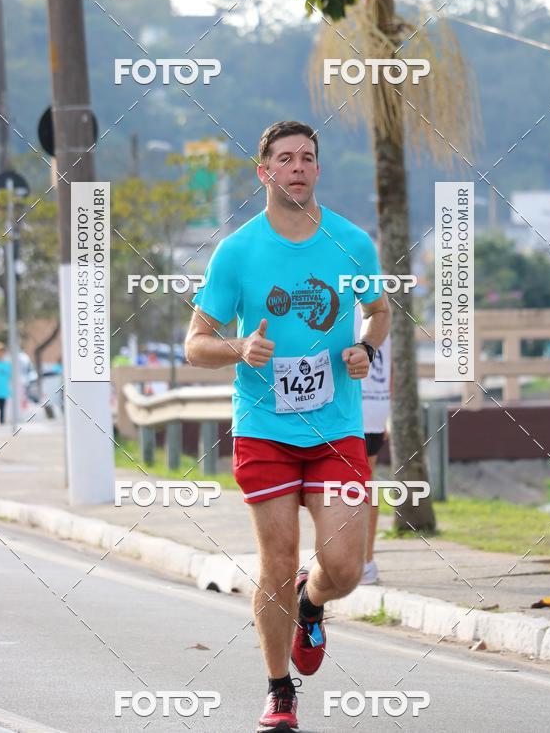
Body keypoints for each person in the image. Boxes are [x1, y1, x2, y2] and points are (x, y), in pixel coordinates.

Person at [185, 120, 391, 732]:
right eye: (285, 158)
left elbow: (378, 313)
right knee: (275, 560)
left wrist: (366, 349)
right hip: (264, 427)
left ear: (317, 169)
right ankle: (280, 690)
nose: (298, 167)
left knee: (346, 569)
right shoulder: (238, 251)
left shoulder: (352, 243)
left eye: (308, 157)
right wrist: (239, 348)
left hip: (336, 430)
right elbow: (196, 345)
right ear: (265, 171)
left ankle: (312, 599)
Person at [354, 302, 392, 585]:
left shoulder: (344, 306)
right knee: (365, 482)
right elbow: (392, 365)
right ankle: (365, 560)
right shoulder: (382, 308)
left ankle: (363, 562)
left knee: (356, 485)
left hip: (355, 408)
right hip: (377, 406)